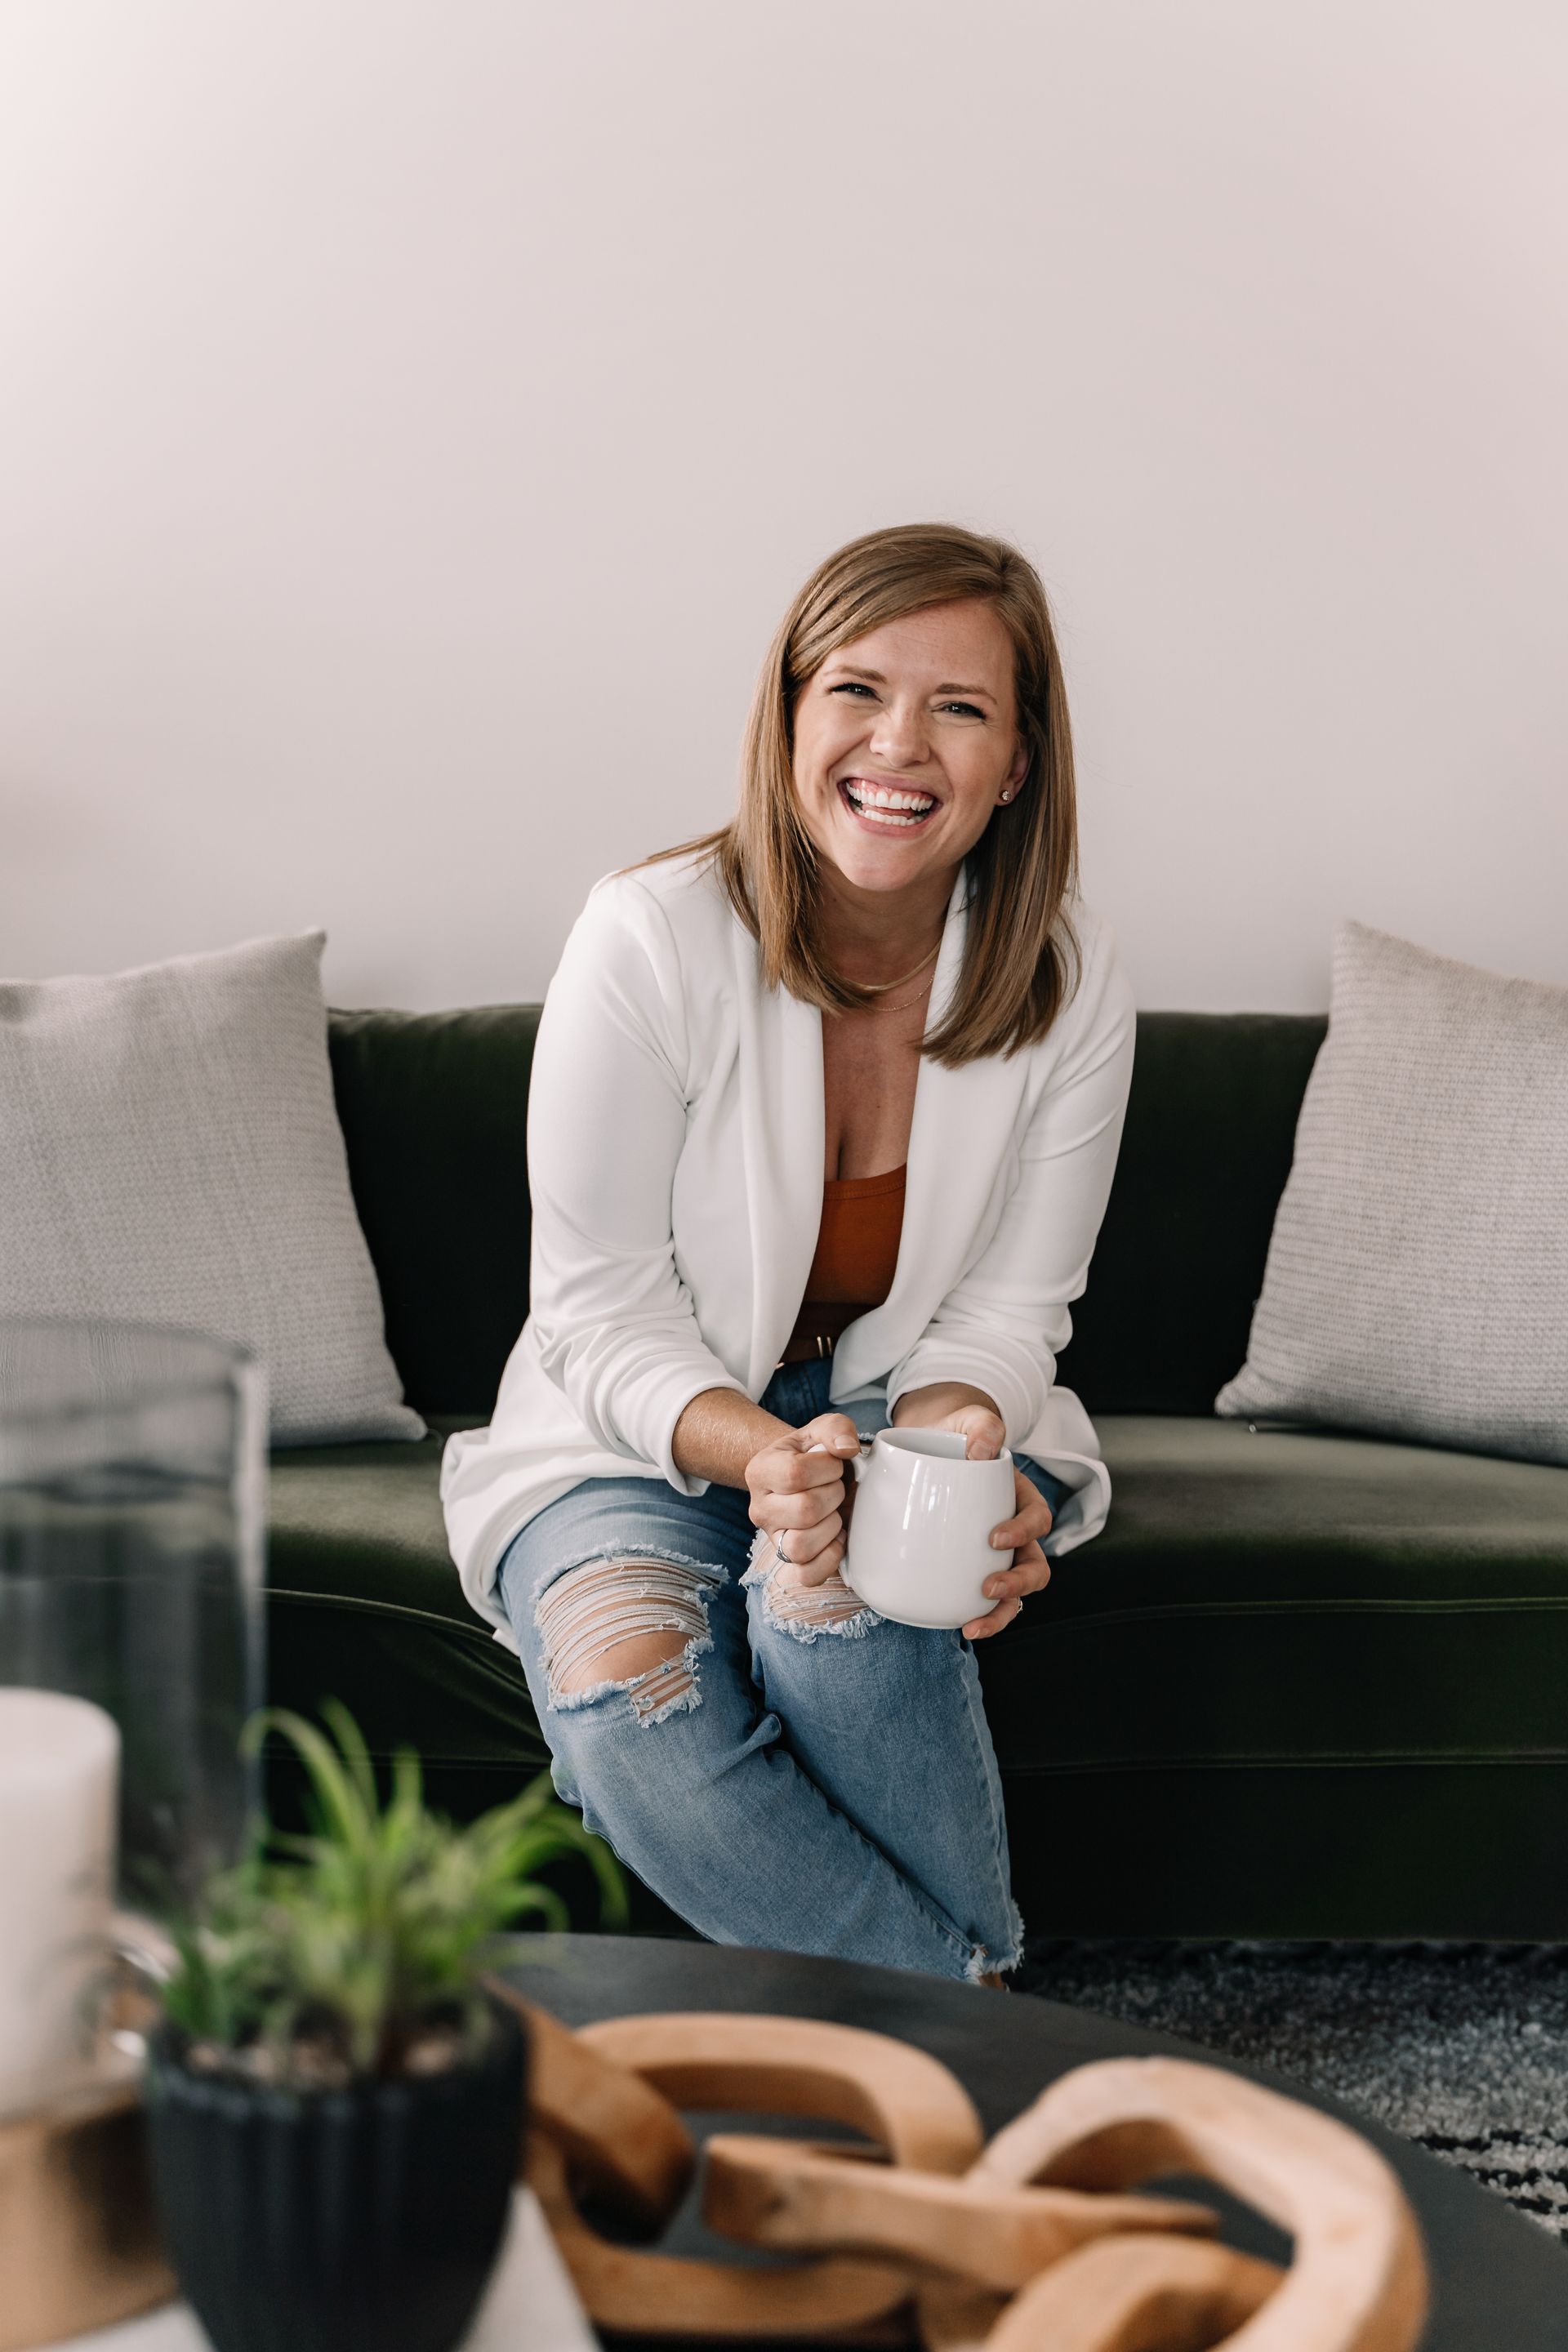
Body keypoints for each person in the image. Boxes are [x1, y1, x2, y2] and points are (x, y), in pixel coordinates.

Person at [440, 521, 1137, 1983]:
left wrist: (958, 1452)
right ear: (790, 713)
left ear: (1017, 762)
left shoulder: (1070, 980)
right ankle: (990, 2034)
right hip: (626, 1428)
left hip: (894, 1403)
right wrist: (767, 1458)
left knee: (858, 1603)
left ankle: (942, 2066)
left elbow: (1014, 1313)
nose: (901, 744)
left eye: (961, 708)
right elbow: (596, 1306)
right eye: (858, 691)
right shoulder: (648, 937)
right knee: (637, 1702)